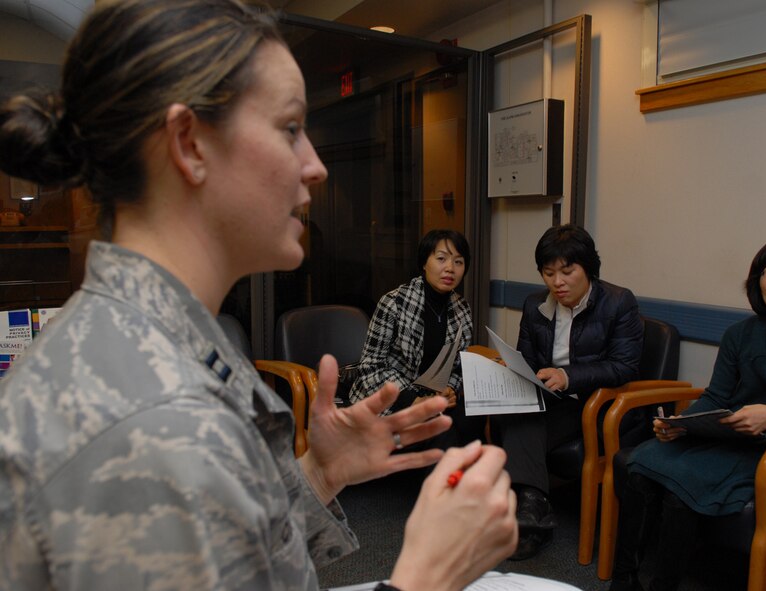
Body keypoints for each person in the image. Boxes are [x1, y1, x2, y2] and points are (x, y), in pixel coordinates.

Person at [0, 2, 517, 590]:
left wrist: (320, 474)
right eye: (291, 129)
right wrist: (429, 576)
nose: (316, 166)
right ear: (190, 143)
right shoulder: (156, 422)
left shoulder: (162, 342)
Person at [610, 236, 766, 591]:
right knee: (641, 463)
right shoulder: (739, 334)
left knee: (680, 486)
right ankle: (624, 581)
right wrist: (681, 425)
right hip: (727, 440)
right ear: (758, 284)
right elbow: (716, 395)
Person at [493, 224, 643, 560]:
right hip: (548, 399)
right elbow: (526, 360)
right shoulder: (535, 305)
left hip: (591, 404)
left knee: (523, 418)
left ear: (588, 267)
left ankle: (525, 510)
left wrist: (569, 376)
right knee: (509, 408)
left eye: (567, 271)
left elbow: (624, 366)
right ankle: (533, 507)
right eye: (548, 273)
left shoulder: (619, 303)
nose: (557, 282)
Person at [348, 229, 486, 448]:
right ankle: (445, 480)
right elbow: (370, 368)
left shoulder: (462, 309)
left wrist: (449, 389)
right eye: (441, 259)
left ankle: (467, 479)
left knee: (474, 418)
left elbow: (459, 366)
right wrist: (412, 400)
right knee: (443, 431)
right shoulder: (394, 303)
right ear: (424, 263)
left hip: (433, 398)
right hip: (390, 399)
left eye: (458, 262)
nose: (450, 268)